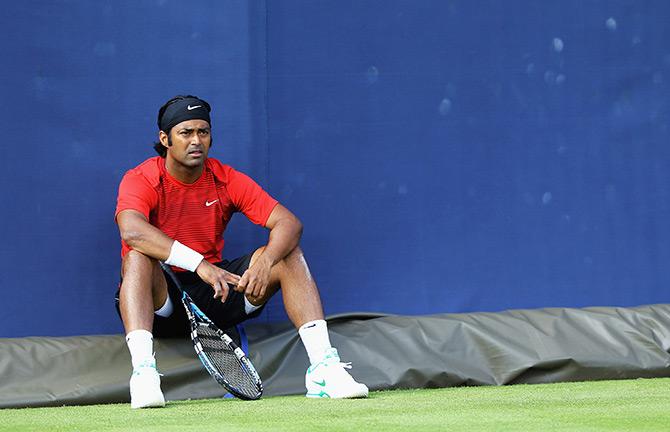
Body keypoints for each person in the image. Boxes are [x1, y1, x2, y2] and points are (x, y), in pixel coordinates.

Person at [114, 95, 368, 408]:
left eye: (203, 132)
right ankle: (144, 374)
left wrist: (265, 265)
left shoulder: (225, 178)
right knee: (136, 257)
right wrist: (200, 265)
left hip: (216, 295)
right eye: (186, 133)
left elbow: (288, 223)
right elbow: (132, 231)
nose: (196, 141)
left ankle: (324, 370)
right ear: (165, 139)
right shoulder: (141, 178)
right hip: (162, 299)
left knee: (287, 253)